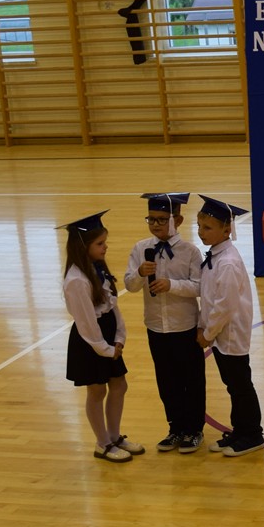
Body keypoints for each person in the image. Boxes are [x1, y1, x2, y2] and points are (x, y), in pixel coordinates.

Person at [123, 192, 206, 454]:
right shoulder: (141, 249)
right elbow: (129, 285)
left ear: (177, 220)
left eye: (162, 219)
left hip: (184, 326)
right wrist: (140, 273)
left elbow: (200, 287)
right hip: (156, 327)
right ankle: (176, 427)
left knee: (191, 380)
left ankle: (194, 429)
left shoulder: (190, 252)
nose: (155, 224)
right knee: (167, 380)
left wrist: (172, 285)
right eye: (151, 219)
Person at [60, 210, 144, 462]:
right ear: (83, 246)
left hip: (107, 335)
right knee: (97, 391)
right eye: (100, 243)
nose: (105, 247)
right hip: (91, 342)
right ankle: (103, 443)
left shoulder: (97, 268)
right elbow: (86, 323)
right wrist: (105, 349)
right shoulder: (76, 280)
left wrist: (120, 336)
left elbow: (112, 306)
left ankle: (115, 436)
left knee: (119, 385)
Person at [195, 195, 264, 457]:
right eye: (199, 226)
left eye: (208, 228)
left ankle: (253, 434)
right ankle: (240, 430)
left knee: (240, 385)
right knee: (233, 385)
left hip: (230, 334)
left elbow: (224, 305)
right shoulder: (216, 256)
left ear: (227, 230)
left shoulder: (228, 262)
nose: (201, 232)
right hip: (220, 334)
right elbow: (209, 296)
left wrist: (208, 332)